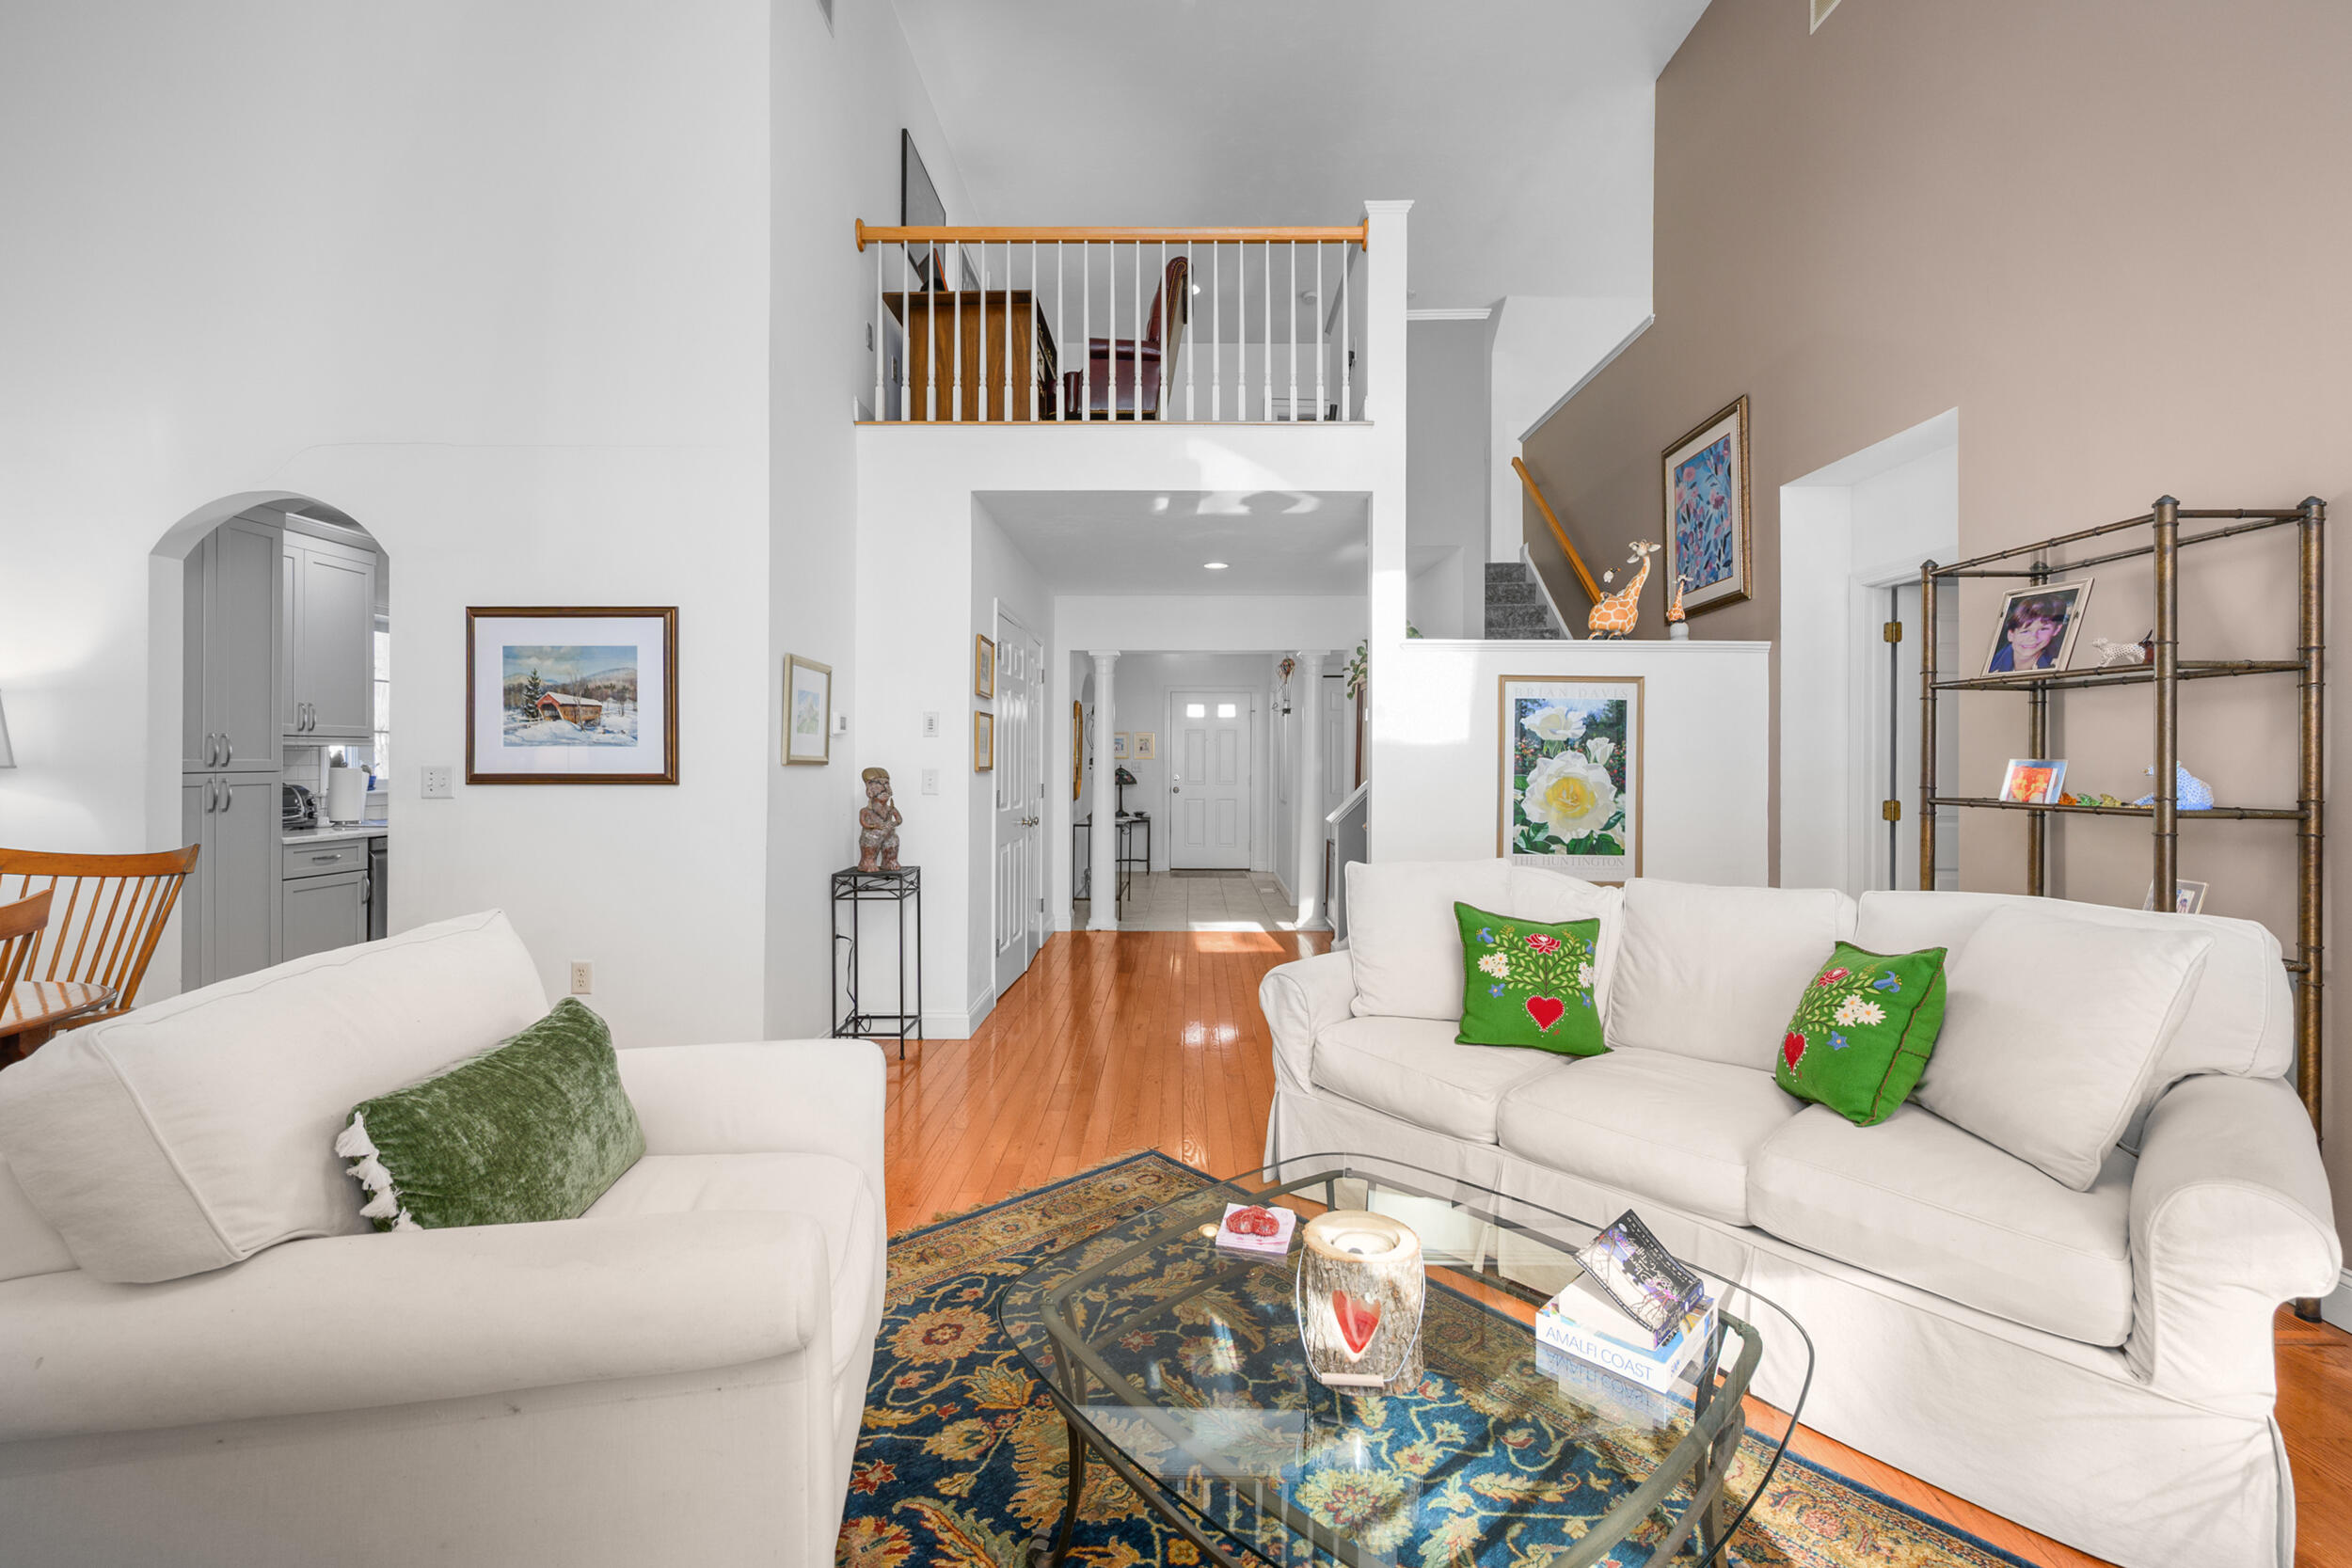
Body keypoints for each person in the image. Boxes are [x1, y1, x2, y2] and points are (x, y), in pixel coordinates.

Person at [1988, 594, 2072, 672]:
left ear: (2056, 630)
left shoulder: (2058, 663)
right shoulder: (1992, 666)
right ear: (2011, 635)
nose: (2033, 638)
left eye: (2043, 629)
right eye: (2025, 631)